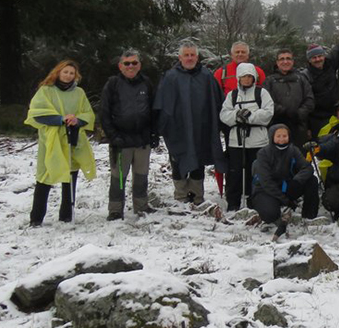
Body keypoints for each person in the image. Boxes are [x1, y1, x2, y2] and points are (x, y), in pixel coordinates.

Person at [25, 60, 96, 226]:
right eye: (65, 72)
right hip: (51, 140)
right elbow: (37, 113)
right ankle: (36, 217)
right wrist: (60, 119)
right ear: (58, 72)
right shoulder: (46, 91)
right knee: (45, 176)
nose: (68, 76)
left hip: (71, 138)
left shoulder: (79, 93)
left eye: (72, 73)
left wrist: (76, 120)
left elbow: (88, 114)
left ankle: (66, 215)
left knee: (70, 174)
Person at [154, 41, 225, 204]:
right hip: (177, 128)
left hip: (201, 127)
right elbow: (161, 104)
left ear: (197, 57)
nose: (189, 58)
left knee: (198, 159)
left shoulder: (207, 76)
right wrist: (161, 127)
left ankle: (196, 194)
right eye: (186, 55)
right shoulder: (170, 77)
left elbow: (217, 102)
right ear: (180, 57)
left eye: (192, 55)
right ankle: (180, 195)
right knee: (178, 159)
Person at [99, 50, 157, 220]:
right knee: (118, 177)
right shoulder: (113, 84)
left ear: (139, 65)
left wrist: (154, 133)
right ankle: (115, 210)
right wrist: (112, 135)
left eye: (134, 63)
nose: (130, 66)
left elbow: (154, 110)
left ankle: (141, 206)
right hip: (120, 140)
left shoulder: (146, 83)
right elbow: (104, 112)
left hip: (142, 139)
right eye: (127, 63)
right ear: (120, 66)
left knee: (141, 175)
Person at [219, 64, 275, 211]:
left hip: (258, 141)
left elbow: (268, 113)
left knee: (256, 173)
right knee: (234, 173)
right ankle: (233, 203)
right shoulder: (232, 95)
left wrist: (249, 116)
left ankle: (255, 201)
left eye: (250, 76)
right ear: (239, 78)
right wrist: (237, 116)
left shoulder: (262, 93)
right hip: (236, 141)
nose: (247, 79)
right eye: (244, 76)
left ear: (254, 78)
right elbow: (224, 114)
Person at [250, 124, 320, 238]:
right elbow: (266, 182)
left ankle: (309, 216)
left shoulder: (293, 150)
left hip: (286, 186)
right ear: (272, 137)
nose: (282, 139)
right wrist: (286, 200)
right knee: (270, 215)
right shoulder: (263, 153)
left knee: (312, 180)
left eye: (284, 136)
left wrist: (296, 181)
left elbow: (308, 168)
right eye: (278, 136)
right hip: (265, 191)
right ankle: (276, 212)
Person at [264, 48, 315, 147]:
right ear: (277, 62)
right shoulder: (269, 81)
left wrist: (299, 113)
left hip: (299, 126)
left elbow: (310, 100)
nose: (285, 61)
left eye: (288, 58)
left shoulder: (302, 79)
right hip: (277, 126)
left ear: (292, 61)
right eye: (282, 59)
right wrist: (283, 112)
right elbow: (266, 102)